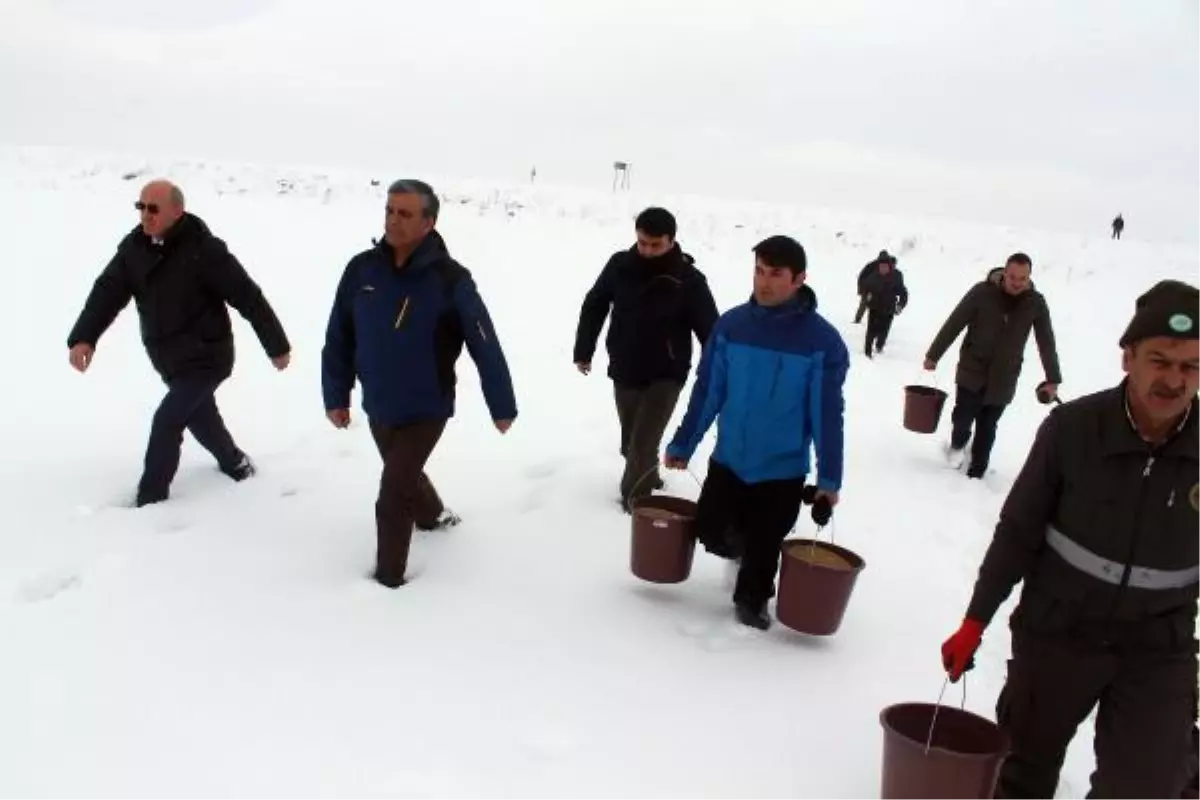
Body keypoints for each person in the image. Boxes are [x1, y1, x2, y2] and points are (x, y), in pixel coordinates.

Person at [940, 279, 1200, 799]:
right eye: (1159, 360)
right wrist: (975, 619)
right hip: (1059, 631)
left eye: (1190, 366)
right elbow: (1017, 532)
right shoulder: (1073, 430)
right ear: (1128, 357)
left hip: (1158, 644)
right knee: (1021, 772)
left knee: (1146, 786)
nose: (1173, 379)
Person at [321, 179, 517, 589]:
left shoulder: (450, 279)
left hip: (428, 406)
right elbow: (339, 334)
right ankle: (433, 515)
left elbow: (483, 339)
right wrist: (336, 394)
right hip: (378, 402)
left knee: (393, 490)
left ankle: (388, 580)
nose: (393, 220)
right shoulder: (362, 270)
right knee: (404, 472)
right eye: (390, 210)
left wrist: (501, 403)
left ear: (429, 223)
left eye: (405, 213)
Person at [66, 180, 292, 507]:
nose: (145, 215)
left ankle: (151, 501)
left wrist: (277, 346)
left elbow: (248, 297)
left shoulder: (205, 250)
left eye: (153, 209)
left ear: (177, 211)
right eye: (140, 207)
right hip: (169, 359)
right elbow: (107, 292)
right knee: (202, 418)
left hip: (207, 357)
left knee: (168, 420)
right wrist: (84, 337)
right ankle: (236, 464)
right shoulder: (134, 249)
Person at [663, 235, 849, 630]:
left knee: (765, 544)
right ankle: (742, 552)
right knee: (712, 532)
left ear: (799, 279)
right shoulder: (731, 326)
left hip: (782, 469)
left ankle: (753, 599)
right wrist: (684, 442)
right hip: (730, 457)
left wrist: (828, 478)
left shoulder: (822, 342)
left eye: (776, 274)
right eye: (759, 271)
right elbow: (708, 389)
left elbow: (827, 414)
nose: (764, 282)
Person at [573, 207, 719, 511]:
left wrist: (716, 370)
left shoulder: (688, 279)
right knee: (631, 443)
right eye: (642, 243)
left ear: (671, 241)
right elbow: (595, 303)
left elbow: (711, 330)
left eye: (655, 245)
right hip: (625, 365)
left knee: (642, 442)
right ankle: (649, 477)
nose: (648, 250)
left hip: (667, 372)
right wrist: (584, 350)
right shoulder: (620, 266)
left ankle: (636, 505)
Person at [923, 252, 1062, 479]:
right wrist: (933, 355)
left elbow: (1046, 341)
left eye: (1023, 278)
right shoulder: (981, 293)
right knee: (962, 419)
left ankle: (977, 473)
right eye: (1013, 277)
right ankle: (958, 444)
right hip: (972, 371)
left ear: (1029, 277)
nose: (1017, 283)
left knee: (988, 428)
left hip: (1004, 377)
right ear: (1004, 274)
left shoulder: (1035, 303)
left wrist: (1052, 378)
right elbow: (955, 322)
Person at [858, 255, 908, 357]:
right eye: (881, 266)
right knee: (871, 330)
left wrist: (900, 305)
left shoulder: (896, 277)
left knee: (884, 330)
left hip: (889, 309)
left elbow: (903, 293)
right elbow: (865, 289)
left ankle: (879, 346)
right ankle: (867, 352)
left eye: (885, 266)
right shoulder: (873, 277)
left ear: (889, 267)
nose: (883, 269)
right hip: (874, 307)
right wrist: (866, 298)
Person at [854, 249, 893, 323]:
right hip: (866, 288)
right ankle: (857, 319)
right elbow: (861, 277)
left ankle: (878, 322)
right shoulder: (871, 266)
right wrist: (861, 290)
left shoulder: (888, 266)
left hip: (878, 290)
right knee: (864, 303)